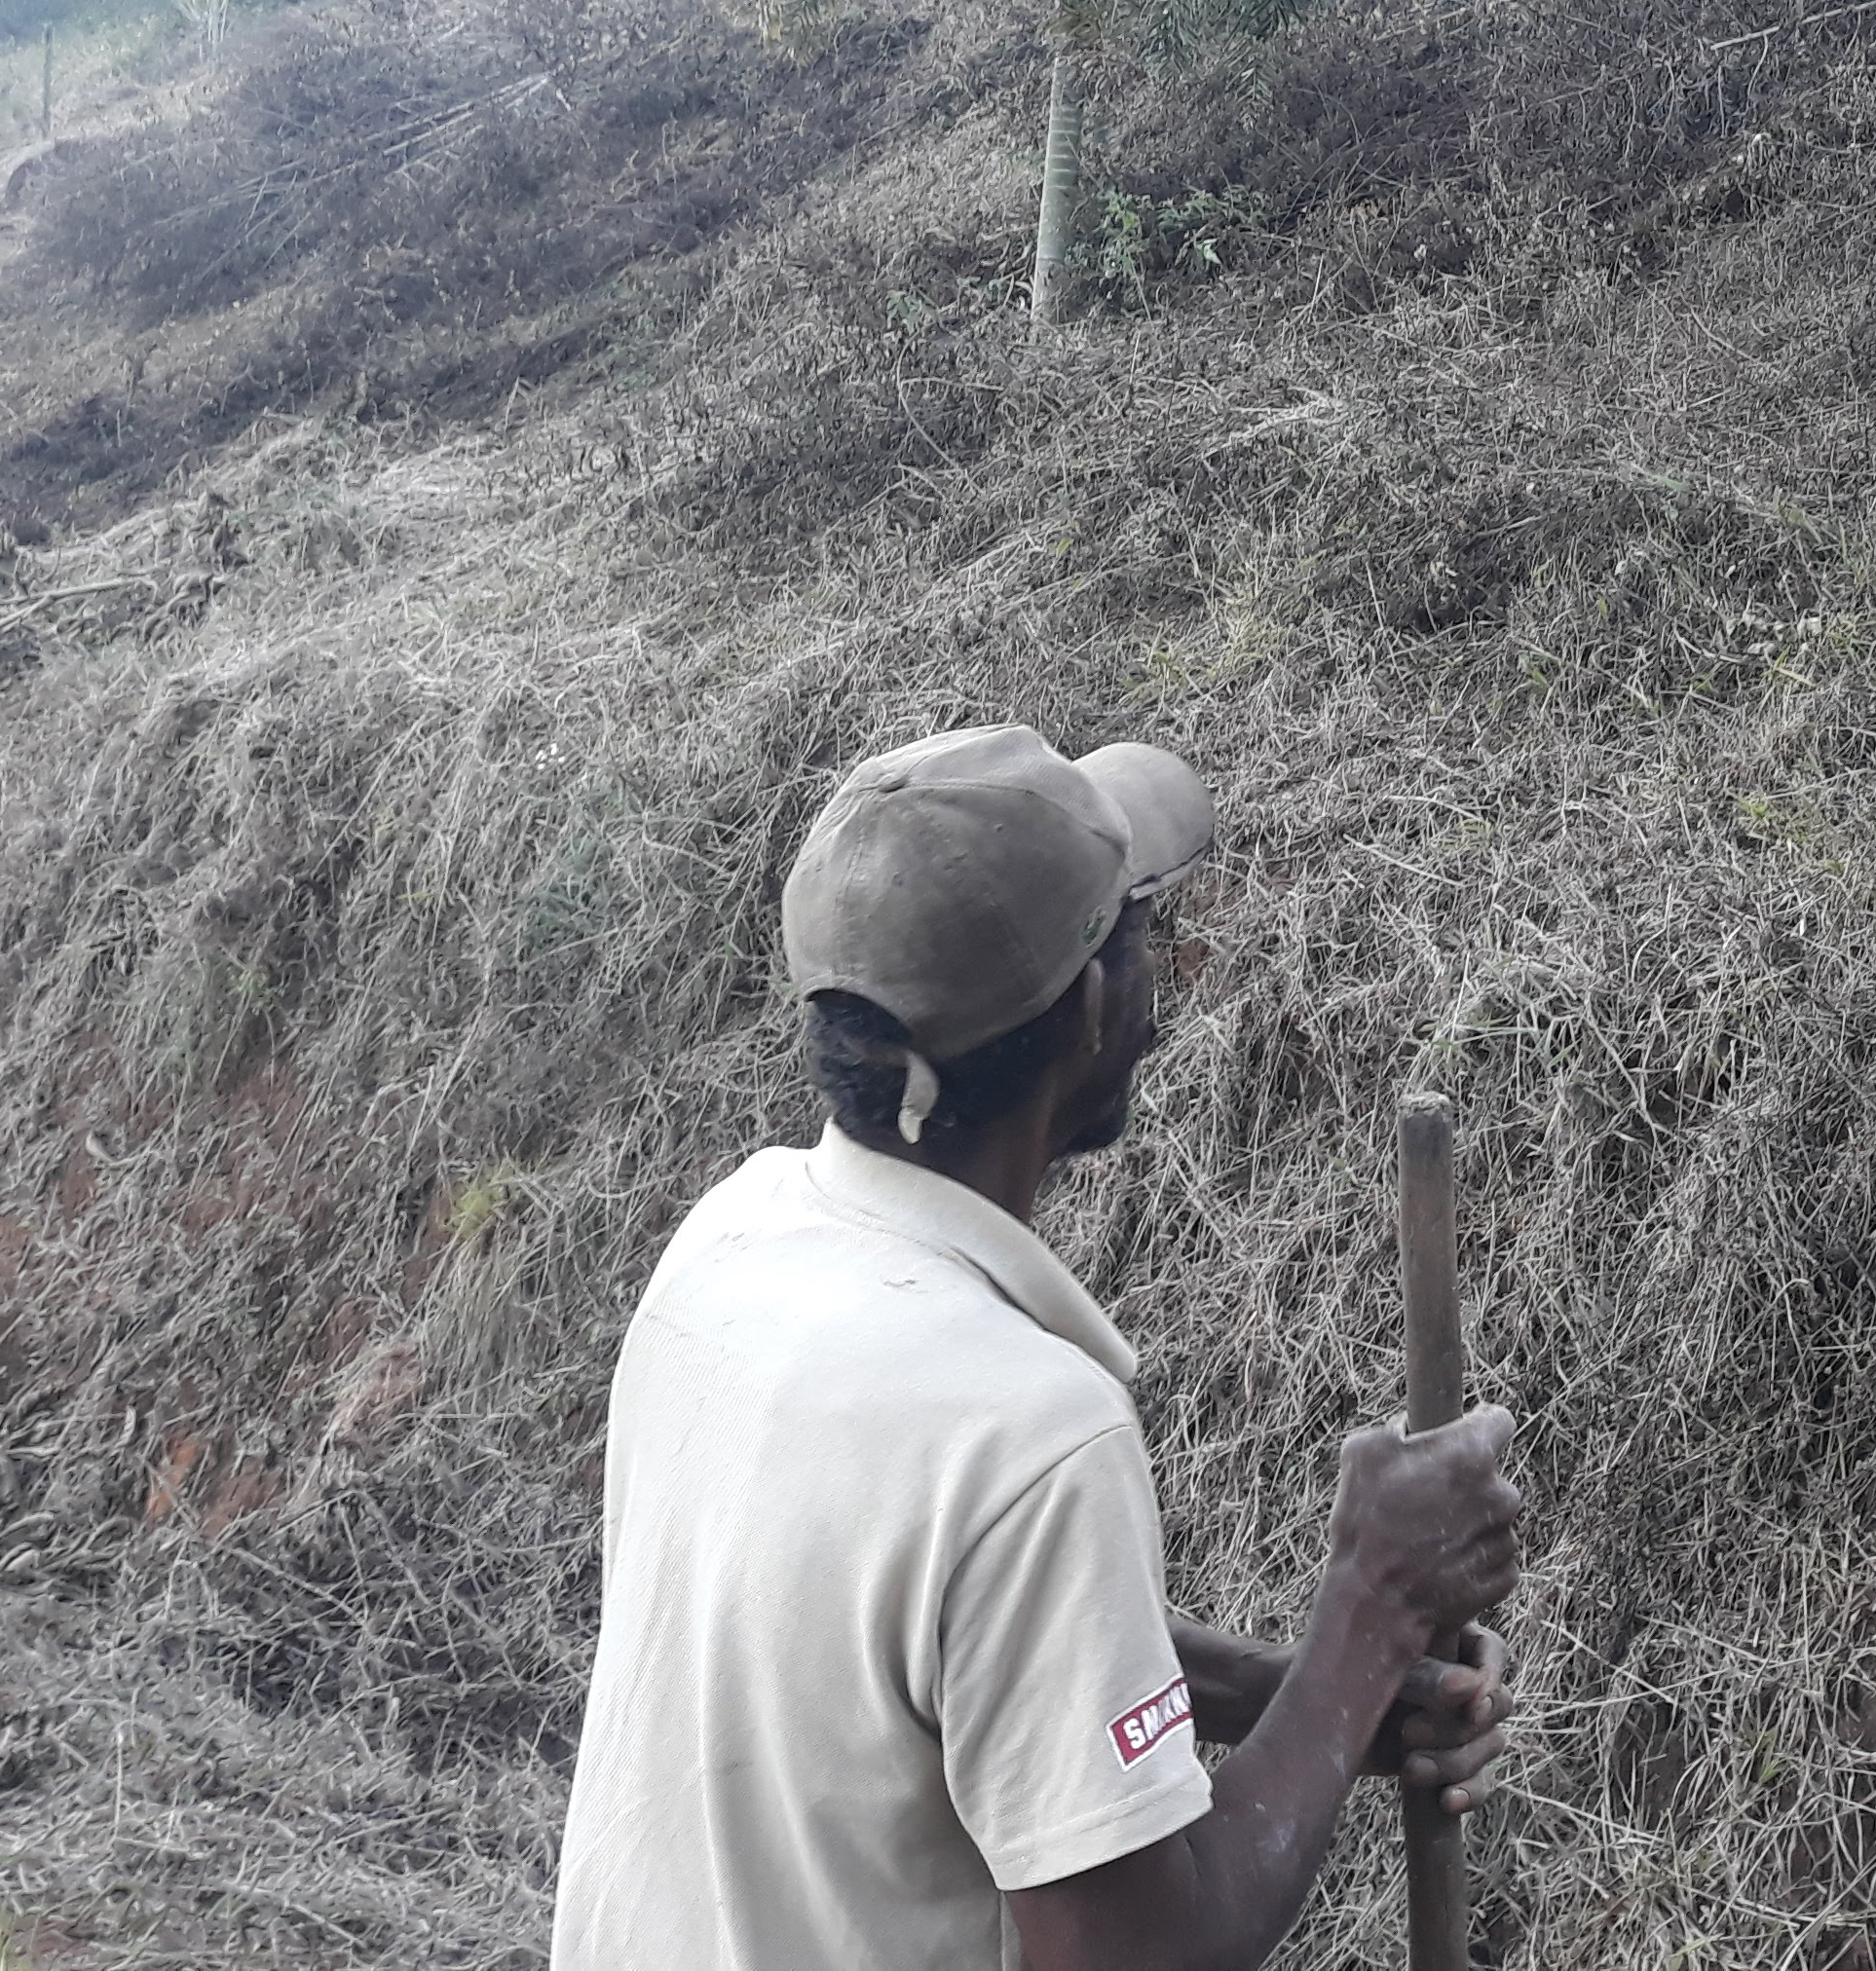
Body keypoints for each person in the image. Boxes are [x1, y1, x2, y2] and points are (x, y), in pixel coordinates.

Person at [549, 722, 1524, 1971]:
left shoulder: (732, 1244)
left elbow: (923, 1644)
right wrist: (1368, 1615)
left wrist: (1297, 1700)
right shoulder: (1030, 1435)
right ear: (1099, 1006)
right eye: (1137, 930)